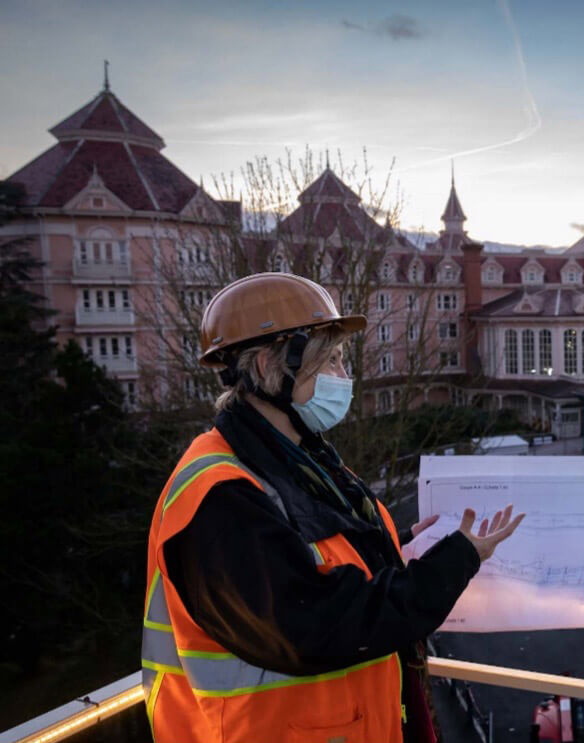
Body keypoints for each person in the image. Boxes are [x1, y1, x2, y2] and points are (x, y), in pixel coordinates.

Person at [142, 272, 524, 743]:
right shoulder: (218, 497)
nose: (346, 378)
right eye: (333, 361)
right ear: (268, 367)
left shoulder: (294, 456)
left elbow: (308, 550)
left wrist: (399, 546)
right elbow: (317, 620)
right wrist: (454, 561)